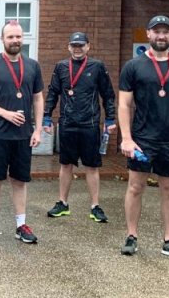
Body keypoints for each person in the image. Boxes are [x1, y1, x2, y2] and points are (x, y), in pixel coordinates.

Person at [117, 15, 169, 259]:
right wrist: (127, 138)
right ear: (149, 35)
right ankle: (131, 236)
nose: (161, 36)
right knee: (135, 186)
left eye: (165, 32)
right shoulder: (134, 66)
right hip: (143, 140)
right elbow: (124, 104)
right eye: (156, 31)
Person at [0, 21, 44, 245]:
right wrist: (4, 113)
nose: (15, 41)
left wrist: (38, 128)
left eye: (18, 37)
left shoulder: (32, 66)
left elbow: (37, 97)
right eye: (10, 37)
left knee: (19, 181)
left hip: (23, 135)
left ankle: (21, 225)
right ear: (2, 40)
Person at [43, 31, 116, 223]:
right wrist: (46, 117)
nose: (77, 49)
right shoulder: (60, 67)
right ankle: (62, 203)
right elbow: (53, 93)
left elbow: (108, 94)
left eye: (81, 45)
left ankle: (95, 206)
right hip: (67, 123)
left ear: (88, 46)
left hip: (90, 124)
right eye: (74, 46)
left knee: (91, 166)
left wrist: (110, 119)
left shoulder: (97, 66)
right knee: (65, 164)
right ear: (69, 47)